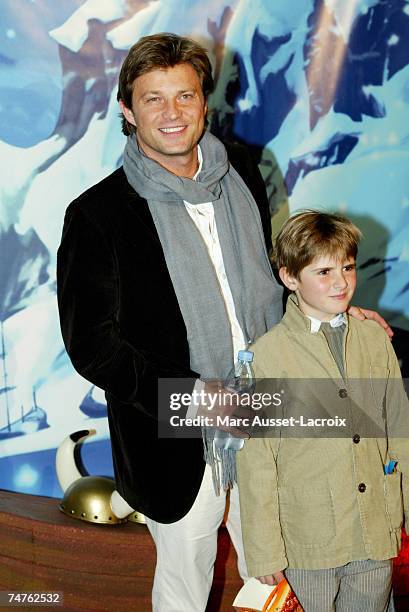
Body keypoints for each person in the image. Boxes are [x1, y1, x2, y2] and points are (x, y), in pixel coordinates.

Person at [57, 33, 392, 612]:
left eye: (184, 96)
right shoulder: (96, 214)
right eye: (153, 99)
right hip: (179, 436)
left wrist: (332, 312)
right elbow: (93, 346)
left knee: (283, 574)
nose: (171, 113)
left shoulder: (239, 170)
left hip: (270, 409)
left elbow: (264, 281)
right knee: (186, 583)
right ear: (127, 111)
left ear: (203, 103)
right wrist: (195, 400)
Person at [237, 211, 409, 612]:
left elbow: (400, 431)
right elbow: (257, 463)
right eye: (324, 271)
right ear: (289, 278)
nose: (341, 282)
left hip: (374, 531)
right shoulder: (264, 356)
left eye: (347, 267)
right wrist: (263, 552)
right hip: (306, 541)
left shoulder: (374, 338)